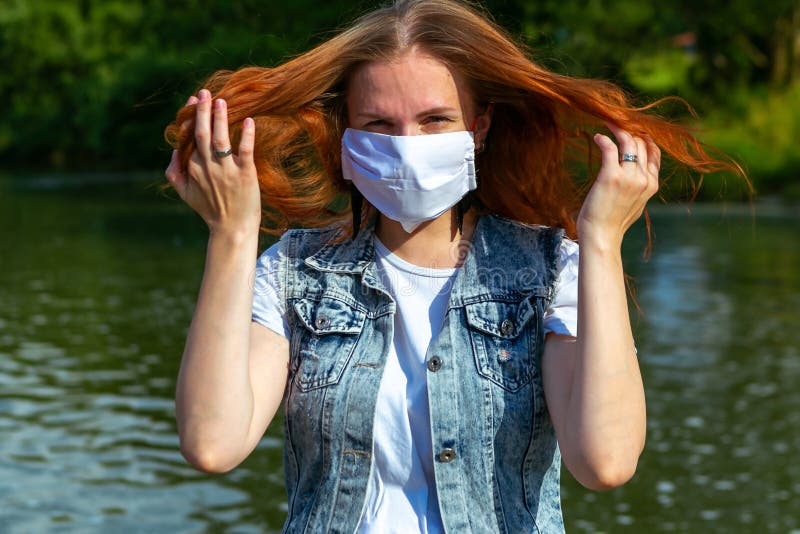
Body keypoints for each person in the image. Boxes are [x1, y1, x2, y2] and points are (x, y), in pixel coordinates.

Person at [164, 1, 741, 532]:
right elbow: (212, 444)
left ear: (479, 128)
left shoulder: (549, 269)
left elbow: (606, 461)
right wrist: (231, 233)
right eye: (380, 125)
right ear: (346, 134)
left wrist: (601, 240)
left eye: (435, 119)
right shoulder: (295, 272)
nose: (407, 144)